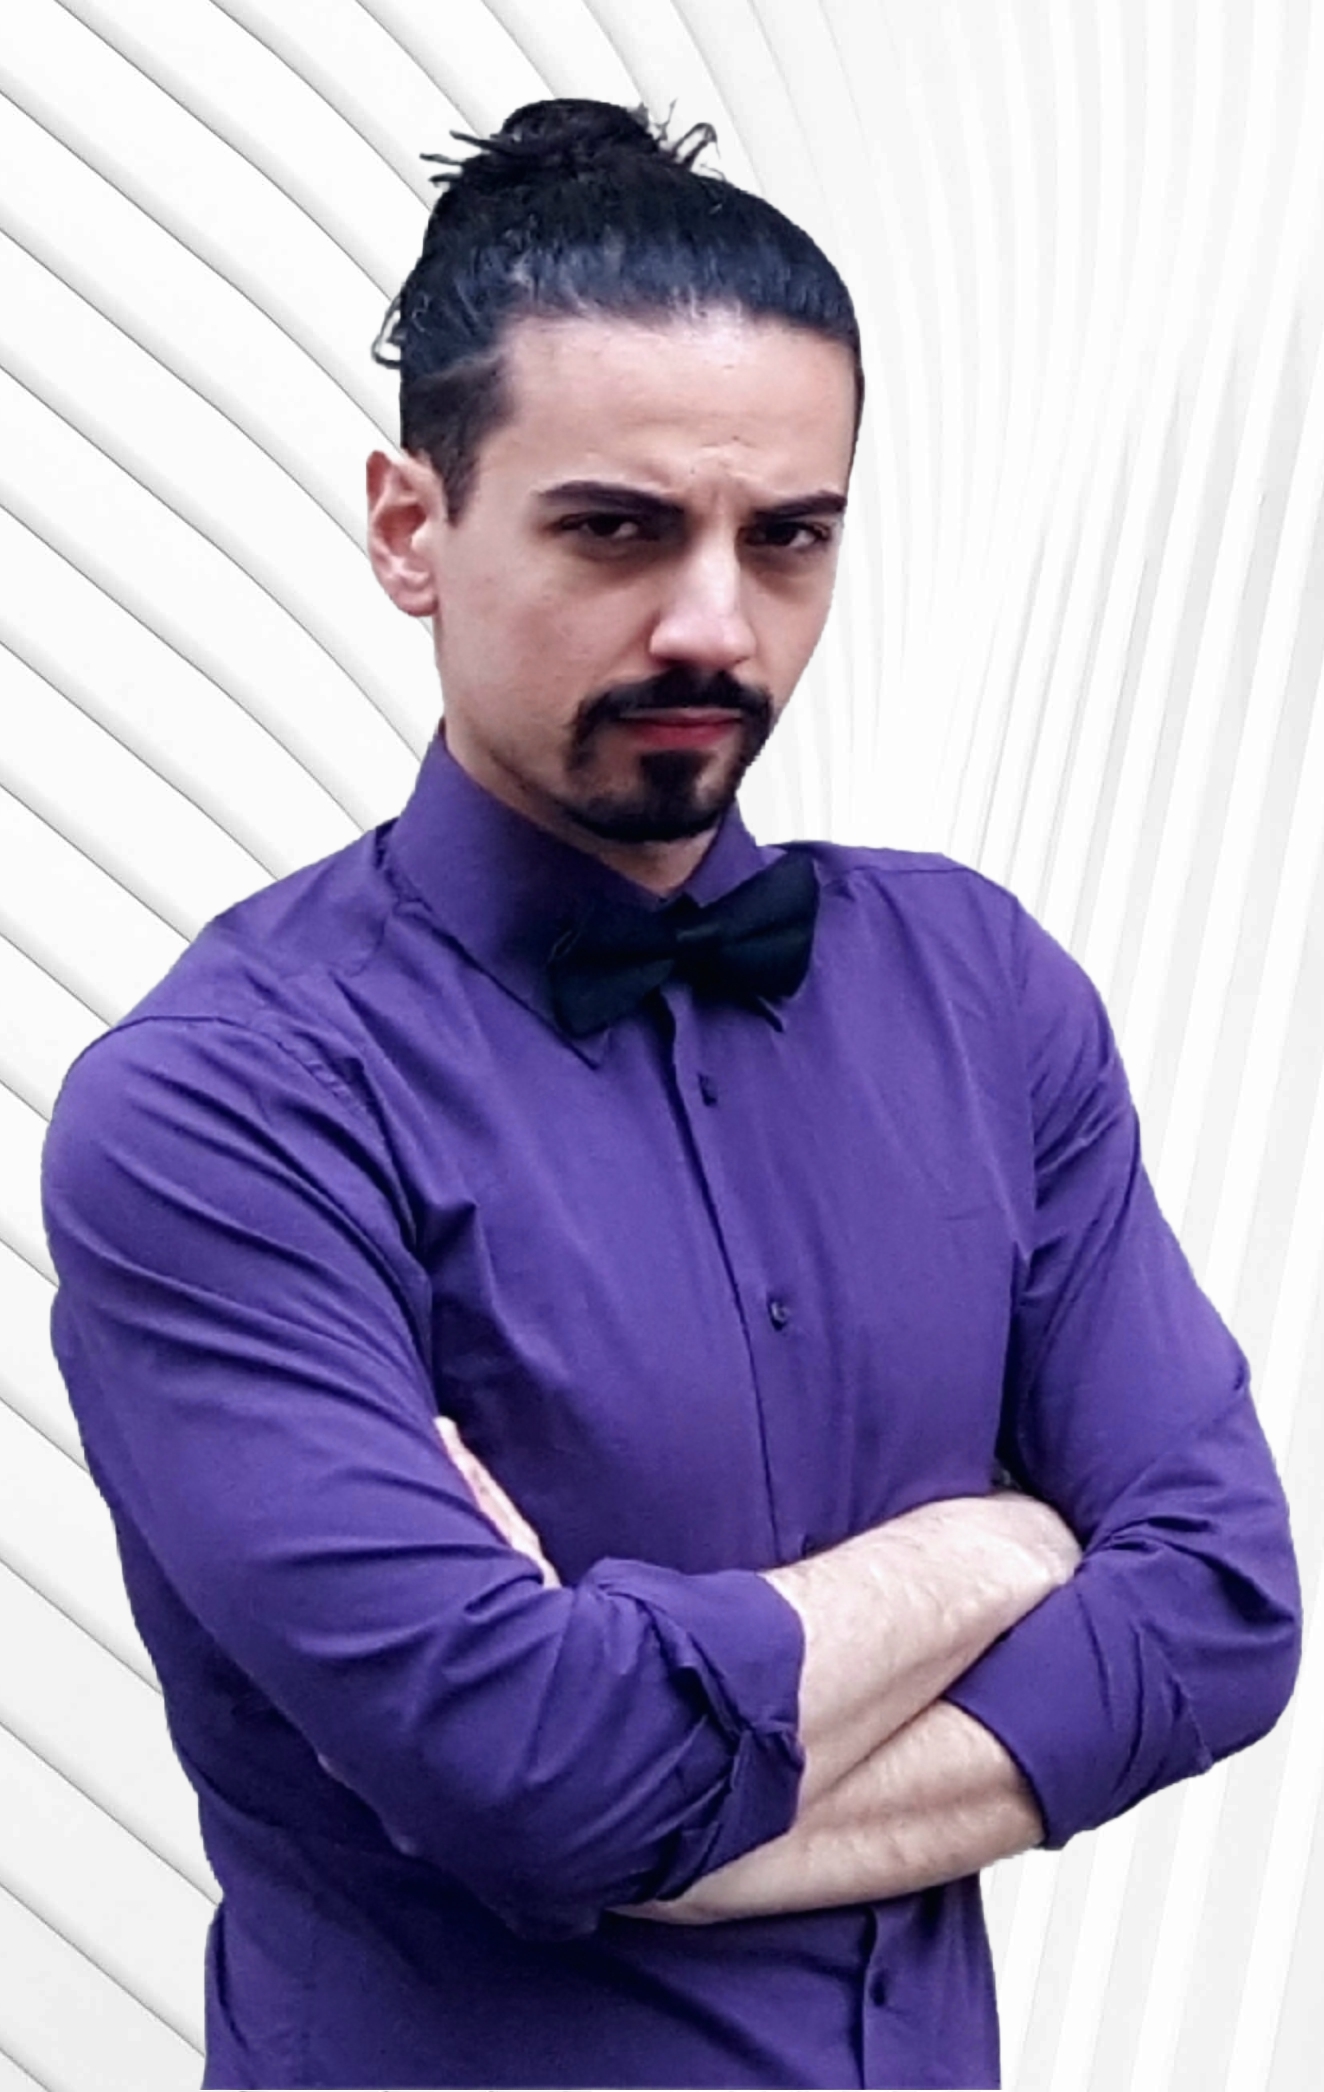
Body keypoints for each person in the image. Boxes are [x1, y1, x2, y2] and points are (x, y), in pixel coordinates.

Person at [40, 98, 1299, 2092]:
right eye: (616, 529)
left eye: (786, 536)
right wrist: (995, 1549)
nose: (715, 622)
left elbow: (1222, 1602)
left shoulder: (982, 993)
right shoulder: (221, 1111)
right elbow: (535, 1769)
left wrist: (685, 1829)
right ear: (410, 527)